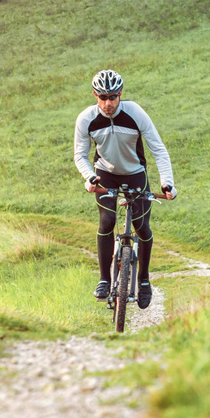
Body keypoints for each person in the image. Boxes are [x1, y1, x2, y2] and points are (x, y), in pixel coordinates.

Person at [74, 69, 177, 310]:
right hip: (105, 174)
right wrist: (90, 177)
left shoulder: (135, 113)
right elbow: (80, 155)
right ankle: (104, 279)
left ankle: (143, 280)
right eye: (102, 97)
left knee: (141, 227)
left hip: (134, 172)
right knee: (107, 221)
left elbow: (158, 149)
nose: (107, 103)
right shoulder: (86, 119)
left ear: (120, 94)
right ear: (94, 95)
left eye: (112, 97)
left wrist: (167, 182)